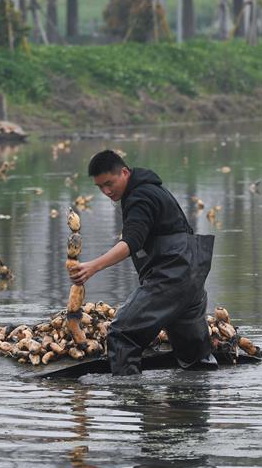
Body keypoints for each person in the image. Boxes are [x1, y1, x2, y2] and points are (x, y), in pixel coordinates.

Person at [68, 150, 216, 376]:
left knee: (122, 333)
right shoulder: (154, 189)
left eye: (109, 183)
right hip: (192, 278)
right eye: (100, 187)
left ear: (124, 172)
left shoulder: (139, 196)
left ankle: (131, 397)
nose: (106, 191)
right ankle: (193, 405)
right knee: (195, 356)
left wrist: (93, 266)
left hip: (171, 277)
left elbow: (131, 243)